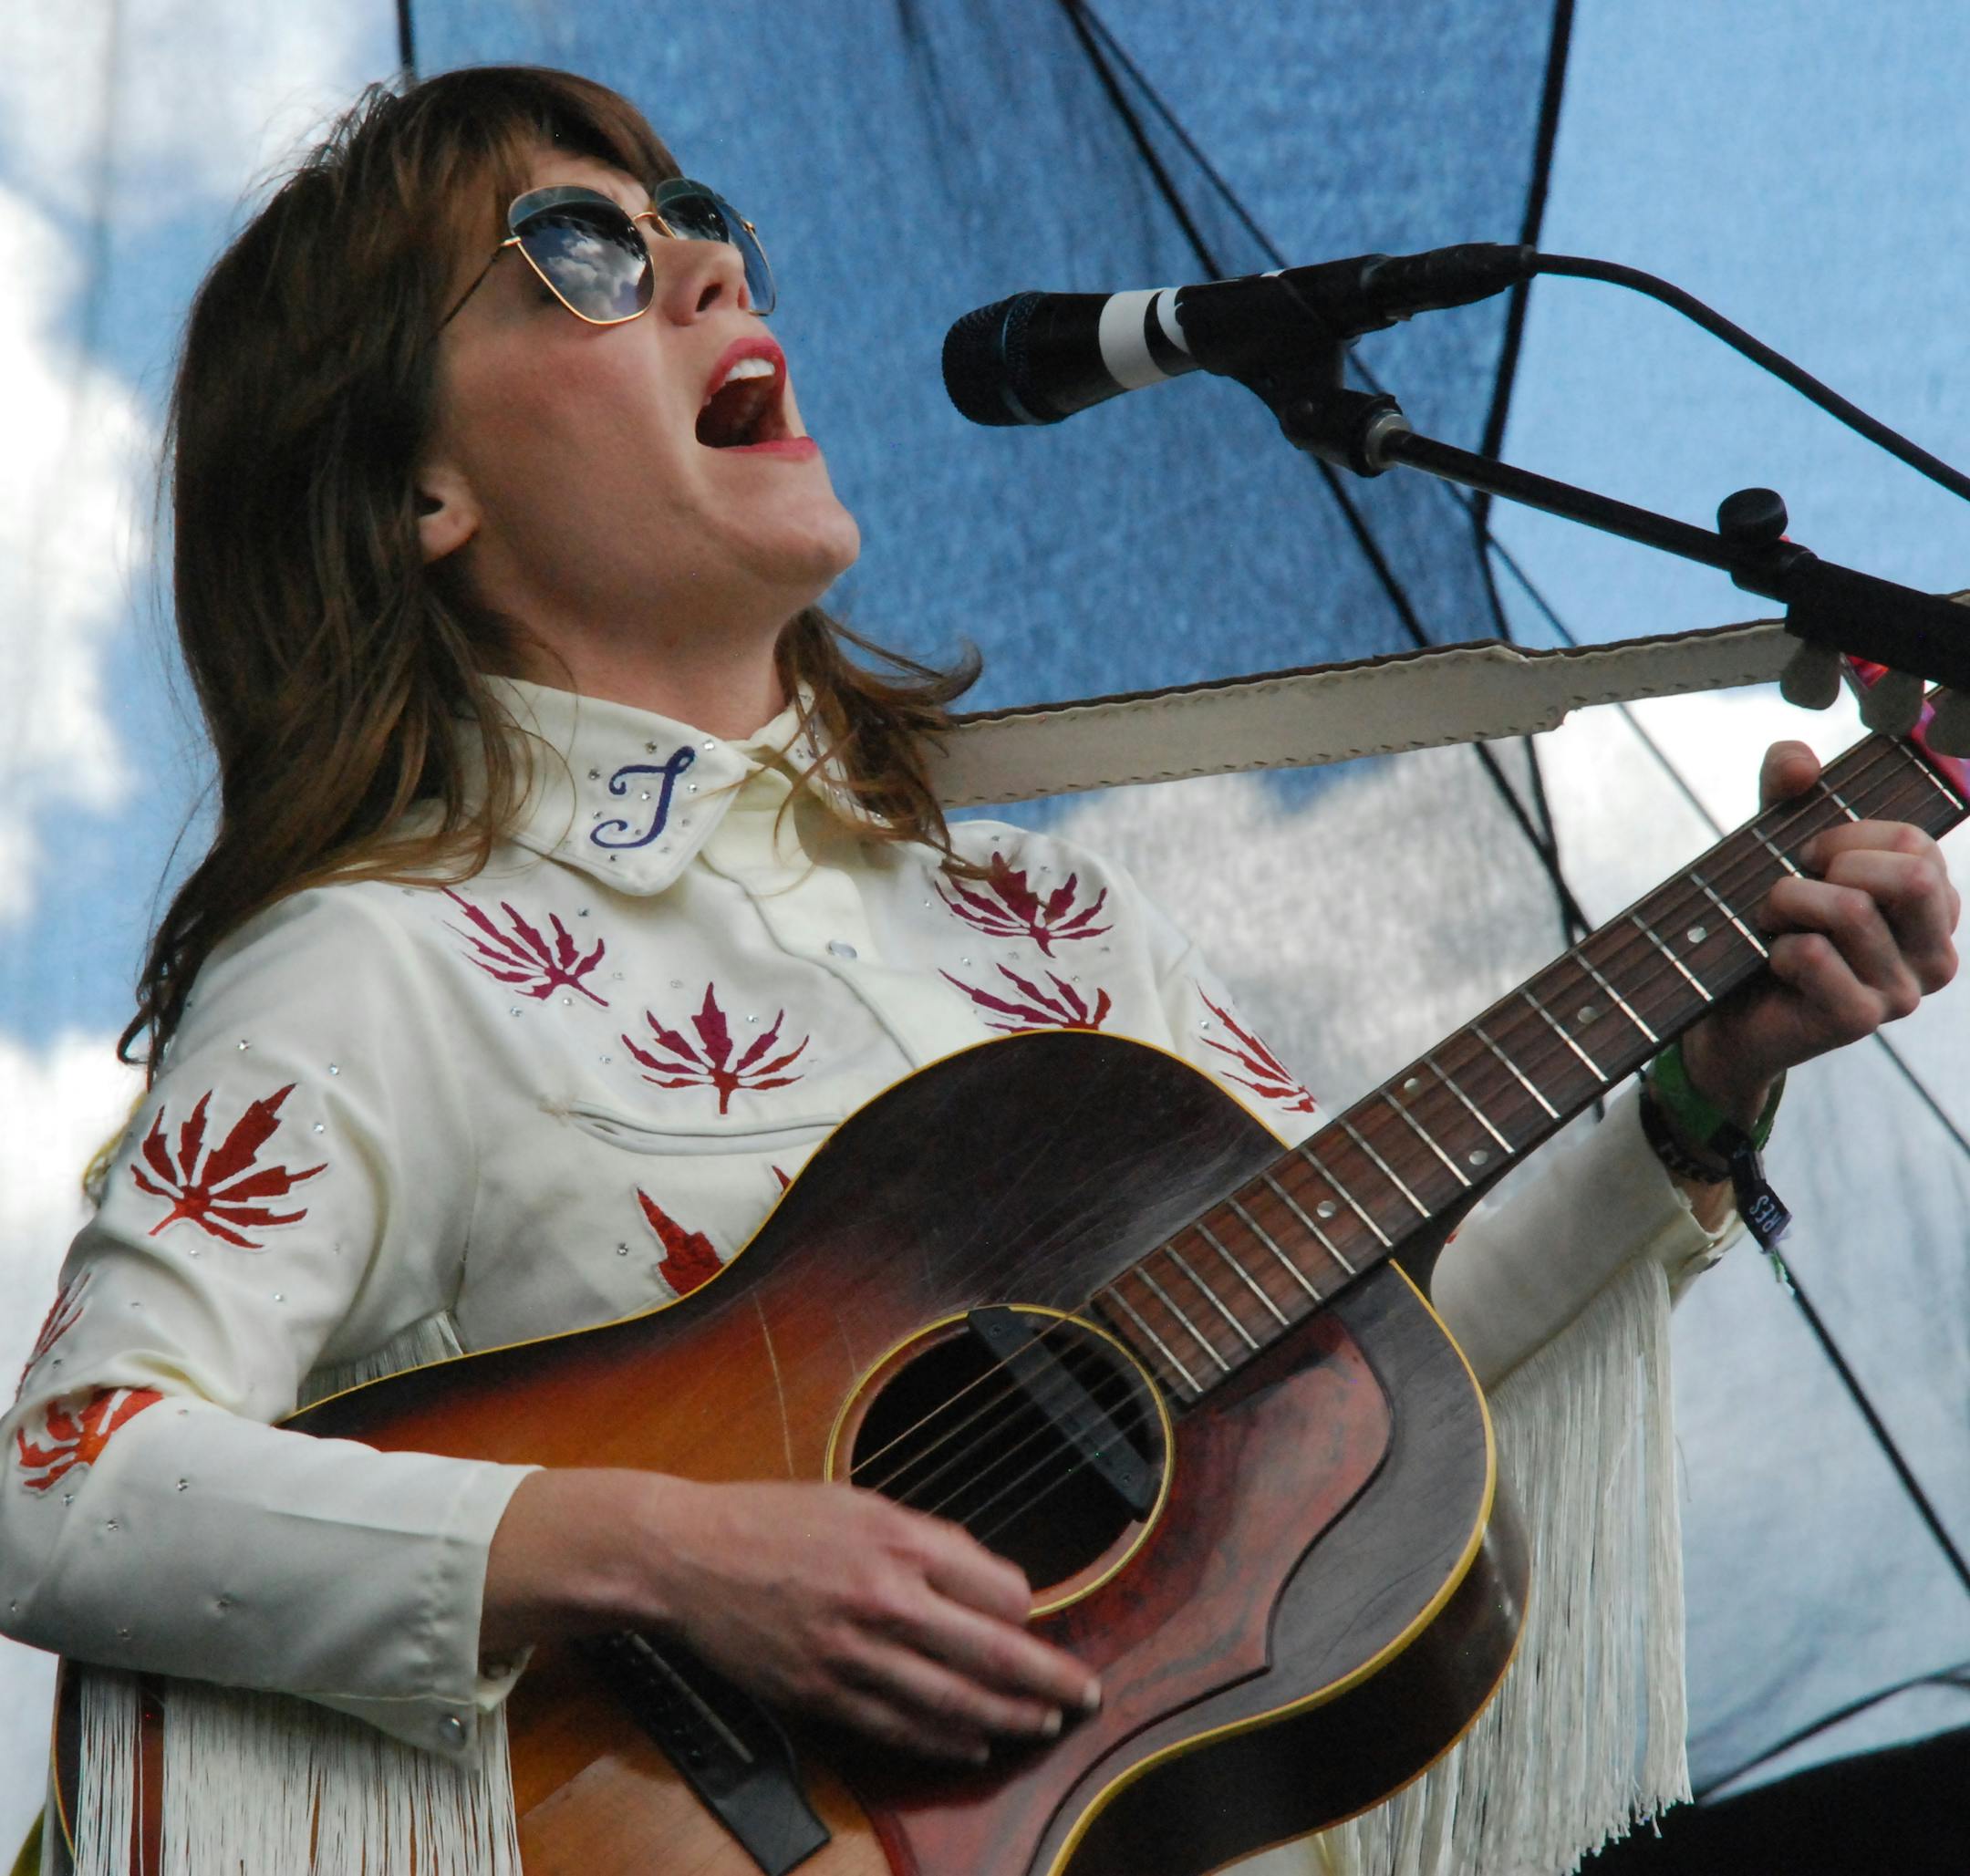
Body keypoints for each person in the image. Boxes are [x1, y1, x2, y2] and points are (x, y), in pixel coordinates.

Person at [2, 65, 1956, 1876]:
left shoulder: (1045, 919)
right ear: (421, 491)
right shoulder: (380, 966)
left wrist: (1698, 1089)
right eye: (578, 254)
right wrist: (671, 1555)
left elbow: (1364, 1379)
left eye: (699, 217)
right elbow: (65, 1481)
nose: (698, 259)